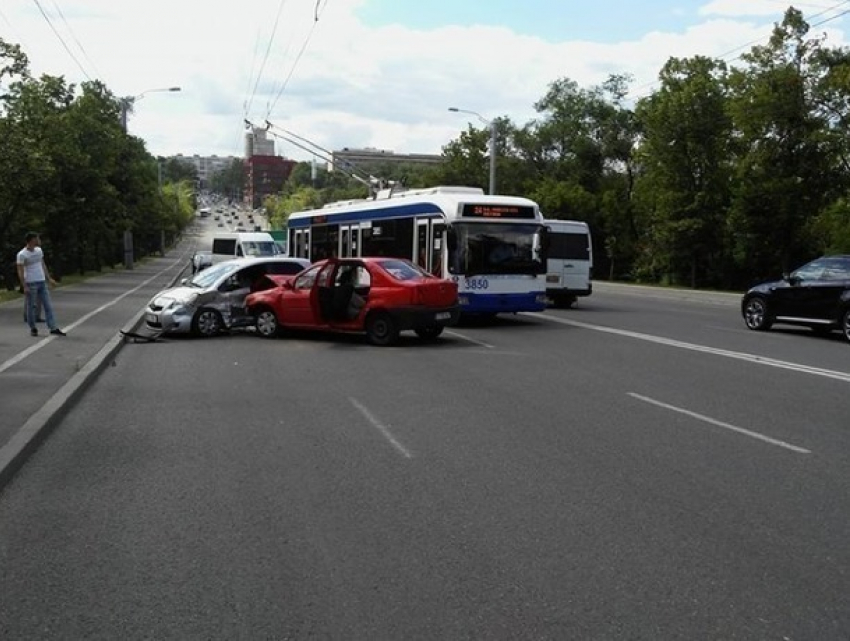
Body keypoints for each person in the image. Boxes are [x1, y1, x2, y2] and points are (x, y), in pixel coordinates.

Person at [16, 232, 66, 337]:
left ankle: (53, 327)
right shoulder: (22, 254)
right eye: (37, 239)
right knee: (31, 307)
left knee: (48, 305)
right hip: (31, 282)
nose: (39, 240)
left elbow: (42, 264)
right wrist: (24, 286)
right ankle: (33, 328)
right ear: (31, 240)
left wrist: (49, 278)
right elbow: (20, 271)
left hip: (41, 281)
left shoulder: (39, 251)